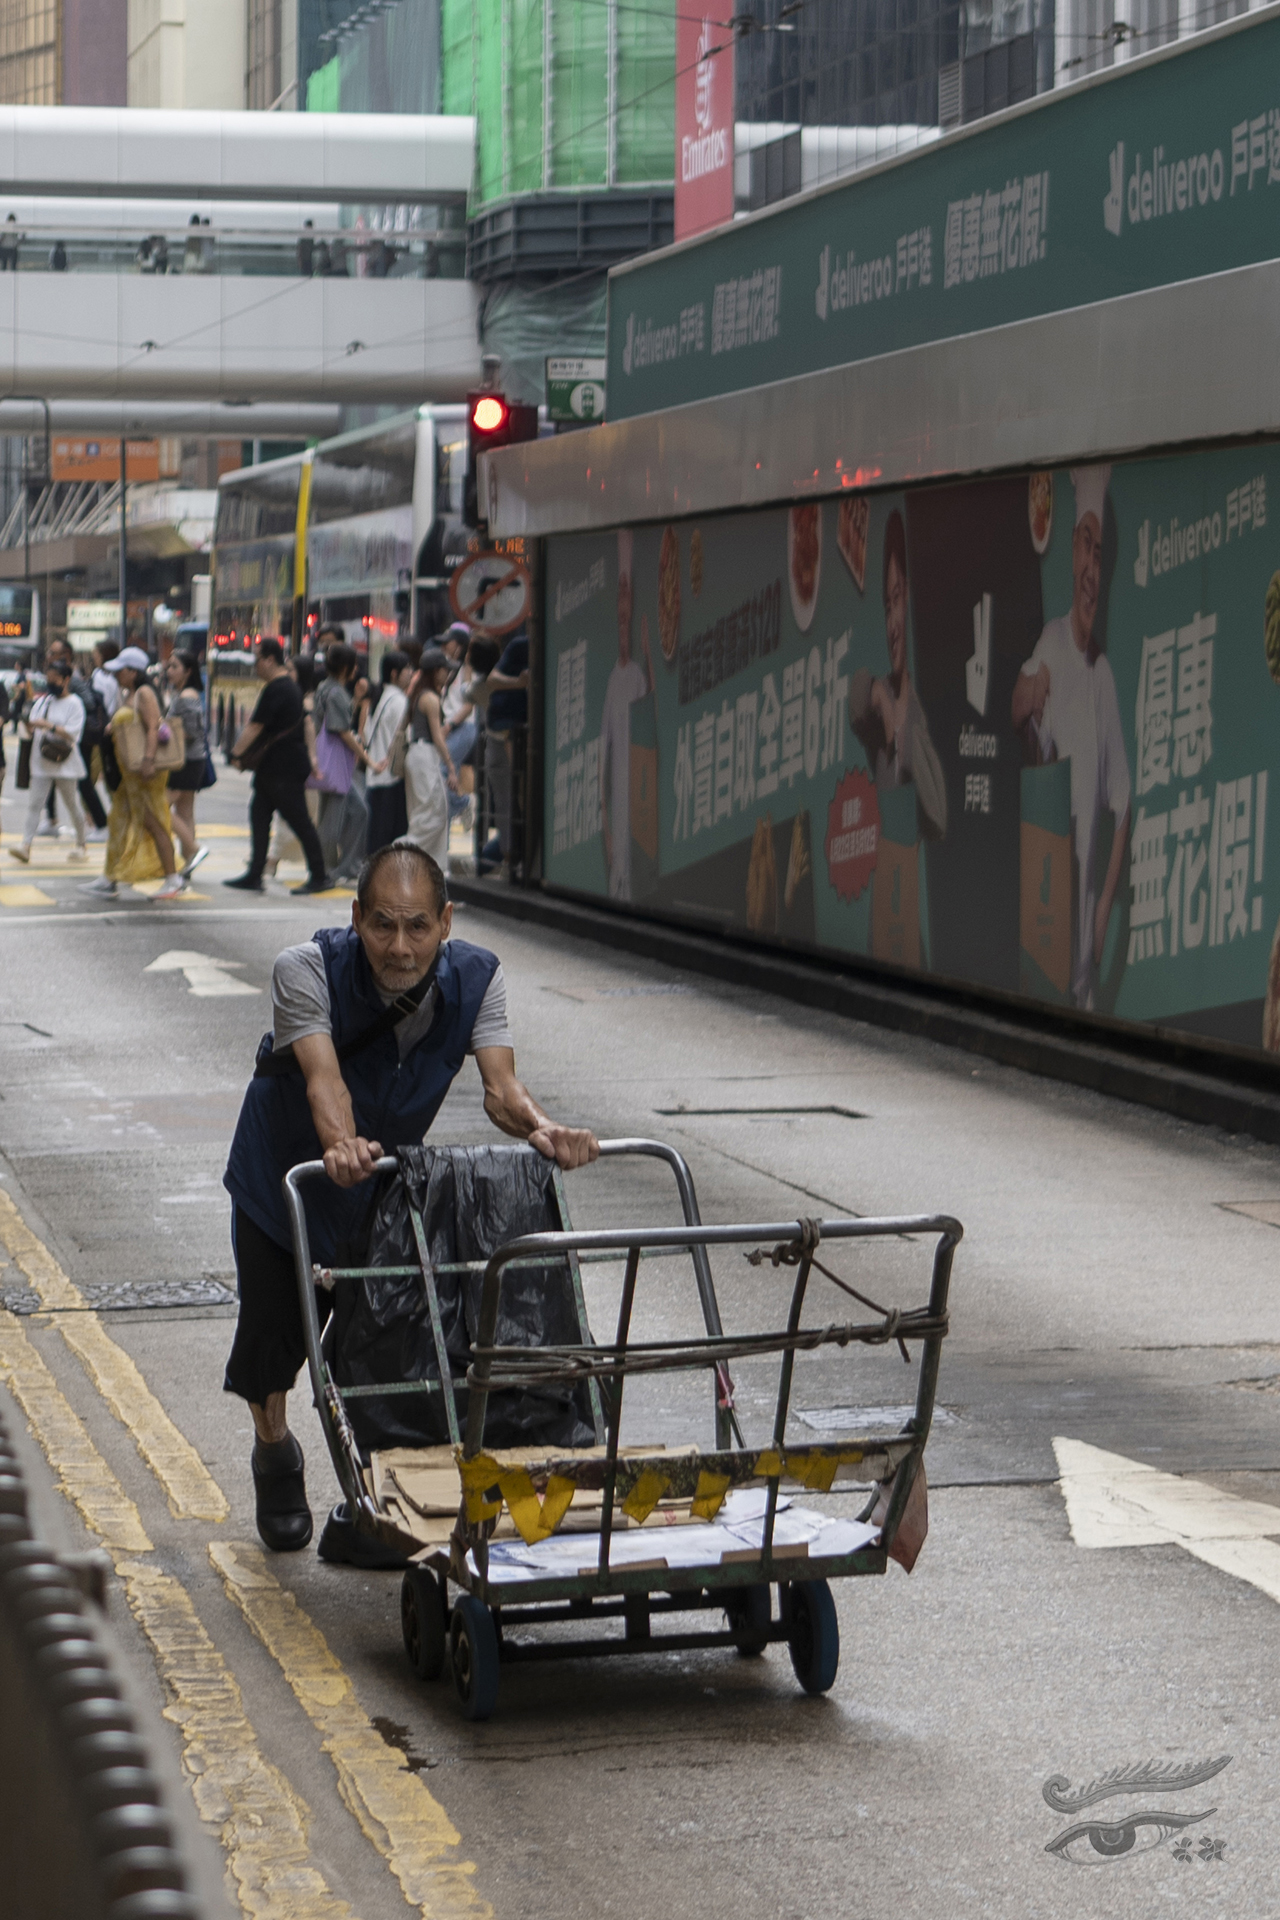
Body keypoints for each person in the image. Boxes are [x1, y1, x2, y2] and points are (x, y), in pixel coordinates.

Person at [221, 840, 599, 1556]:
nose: (401, 947)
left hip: (382, 1190)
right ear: (356, 918)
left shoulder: (479, 979)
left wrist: (545, 1129)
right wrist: (339, 1145)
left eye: (418, 926)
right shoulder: (305, 969)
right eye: (384, 926)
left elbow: (501, 1090)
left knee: (388, 1348)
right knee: (274, 1342)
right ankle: (274, 1449)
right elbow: (325, 1080)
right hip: (287, 1179)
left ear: (445, 922)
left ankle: (378, 1496)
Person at [1012, 465, 1131, 1010]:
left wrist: (1104, 908)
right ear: (1072, 552)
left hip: (1083, 972)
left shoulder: (1103, 675)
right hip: (1046, 933)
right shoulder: (1052, 641)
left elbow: (1123, 802)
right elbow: (1020, 702)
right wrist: (1030, 690)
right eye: (1086, 545)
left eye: (1100, 555)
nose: (1091, 569)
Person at [847, 508, 947, 841]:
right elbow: (855, 704)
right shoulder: (882, 695)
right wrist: (879, 694)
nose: (892, 625)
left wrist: (907, 748)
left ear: (908, 594)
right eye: (886, 608)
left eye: (896, 601)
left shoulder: (922, 713)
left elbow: (938, 819)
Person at [224, 638, 328, 896]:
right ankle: (255, 873)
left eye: (257, 659)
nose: (255, 665)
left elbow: (255, 726)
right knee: (259, 815)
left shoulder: (278, 688)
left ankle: (319, 875)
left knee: (299, 821)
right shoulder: (288, 687)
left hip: (283, 768)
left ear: (270, 659)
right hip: (274, 767)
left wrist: (236, 753)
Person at [83, 647, 183, 898]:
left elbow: (153, 727)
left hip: (143, 773)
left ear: (133, 671)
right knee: (118, 821)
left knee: (153, 821)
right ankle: (109, 877)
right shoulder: (129, 693)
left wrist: (149, 760)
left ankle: (173, 879)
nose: (116, 674)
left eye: (120, 670)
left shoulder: (145, 693)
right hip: (128, 774)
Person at [599, 530, 654, 900]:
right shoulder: (613, 680)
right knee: (621, 865)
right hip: (618, 797)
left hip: (637, 793)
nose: (622, 621)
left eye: (626, 612)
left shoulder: (635, 674)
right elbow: (604, 752)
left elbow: (650, 711)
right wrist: (605, 821)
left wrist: (648, 652)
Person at [8, 656, 88, 866]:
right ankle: (26, 845)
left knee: (72, 804)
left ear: (66, 680)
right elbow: (32, 727)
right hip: (41, 761)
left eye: (55, 679)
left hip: (65, 763)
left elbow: (73, 734)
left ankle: (81, 844)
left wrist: (49, 726)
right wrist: (30, 726)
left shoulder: (75, 704)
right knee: (34, 805)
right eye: (48, 678)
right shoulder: (43, 701)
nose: (51, 683)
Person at [313, 640, 373, 885]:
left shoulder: (326, 687)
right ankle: (326, 869)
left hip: (331, 762)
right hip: (336, 763)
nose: (356, 669)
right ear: (346, 667)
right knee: (333, 819)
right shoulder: (336, 692)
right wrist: (368, 759)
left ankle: (346, 865)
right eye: (354, 665)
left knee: (357, 811)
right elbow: (343, 731)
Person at [45, 637, 109, 835]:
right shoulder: (58, 675)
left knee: (84, 782)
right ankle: (51, 819)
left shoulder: (71, 678)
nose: (49, 656)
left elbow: (88, 702)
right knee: (49, 776)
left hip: (81, 737)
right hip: (67, 737)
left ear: (65, 655)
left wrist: (69, 703)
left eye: (53, 652)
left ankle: (102, 824)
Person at [403, 648, 457, 872]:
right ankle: (401, 853)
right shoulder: (430, 698)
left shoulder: (417, 695)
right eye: (445, 670)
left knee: (423, 814)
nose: (448, 674)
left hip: (416, 755)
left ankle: (430, 869)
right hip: (425, 756)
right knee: (433, 815)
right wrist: (451, 767)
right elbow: (437, 736)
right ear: (436, 671)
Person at [164, 649, 210, 878]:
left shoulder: (187, 697)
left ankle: (194, 848)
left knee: (160, 806)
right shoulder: (183, 694)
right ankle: (189, 862)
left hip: (185, 760)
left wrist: (163, 733)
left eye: (175, 667)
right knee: (184, 812)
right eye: (169, 666)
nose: (169, 671)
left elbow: (190, 732)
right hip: (191, 759)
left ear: (188, 671)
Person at [362, 648, 412, 854]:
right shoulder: (399, 701)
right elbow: (405, 738)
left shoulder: (379, 697)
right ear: (394, 673)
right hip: (392, 777)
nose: (411, 673)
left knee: (376, 839)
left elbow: (366, 733)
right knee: (390, 841)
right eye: (407, 669)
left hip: (375, 775)